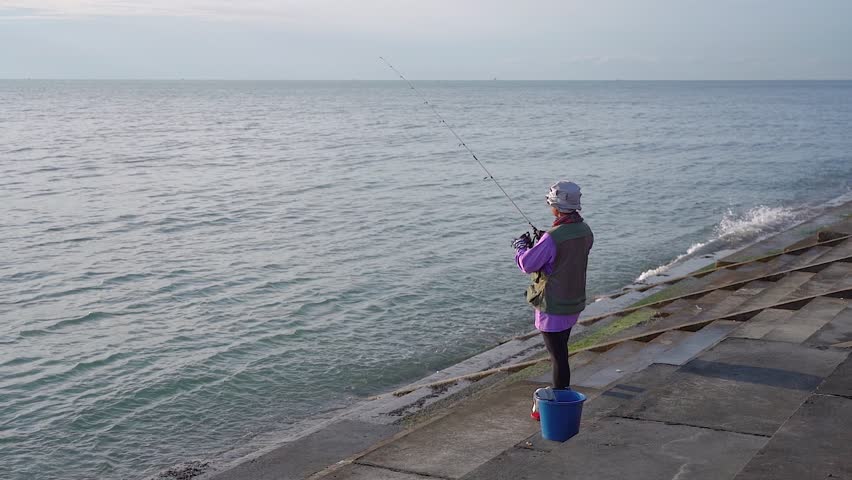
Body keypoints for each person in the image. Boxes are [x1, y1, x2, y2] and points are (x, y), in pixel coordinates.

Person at [512, 181, 593, 421]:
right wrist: (541, 243)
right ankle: (561, 397)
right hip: (573, 301)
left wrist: (521, 248)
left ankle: (560, 403)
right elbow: (567, 257)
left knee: (557, 355)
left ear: (556, 208)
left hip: (553, 305)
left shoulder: (553, 236)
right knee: (561, 349)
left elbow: (528, 264)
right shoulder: (585, 230)